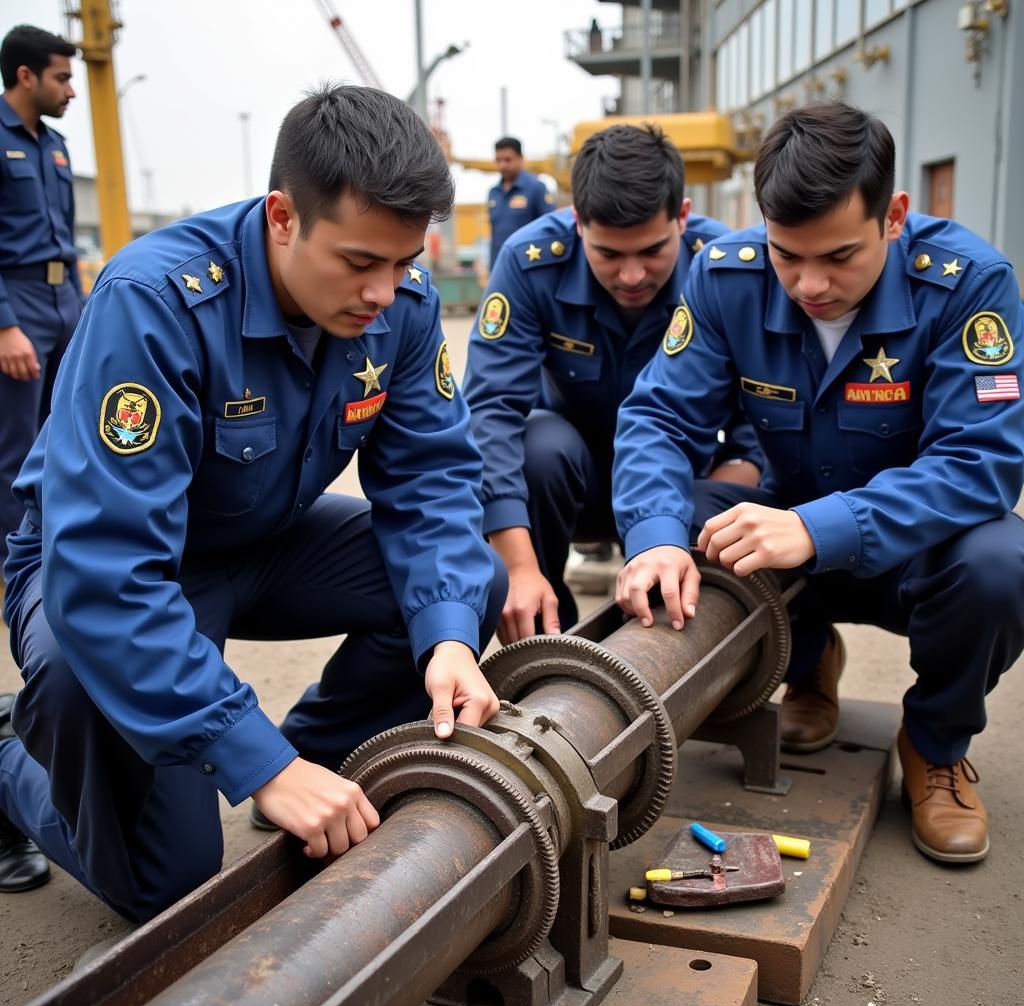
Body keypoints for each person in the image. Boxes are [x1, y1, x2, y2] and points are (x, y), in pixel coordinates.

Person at [0, 84, 506, 917]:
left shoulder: (400, 308)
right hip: (108, 573)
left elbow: (432, 480)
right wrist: (253, 761)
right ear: (282, 217)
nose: (384, 292)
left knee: (466, 584)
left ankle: (320, 757)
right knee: (175, 890)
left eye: (404, 263)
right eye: (358, 262)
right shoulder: (156, 304)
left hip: (262, 542)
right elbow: (107, 570)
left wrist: (448, 640)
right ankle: (14, 773)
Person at [613, 103, 1024, 865]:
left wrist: (819, 527)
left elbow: (983, 463)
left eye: (838, 256)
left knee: (1003, 561)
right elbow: (659, 418)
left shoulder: (969, 285)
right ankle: (805, 672)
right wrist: (657, 540)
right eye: (786, 254)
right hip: (787, 553)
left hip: (911, 557)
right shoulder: (726, 278)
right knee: (690, 519)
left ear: (894, 216)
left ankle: (935, 745)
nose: (809, 284)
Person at [464, 123, 763, 642]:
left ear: (683, 218)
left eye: (650, 251)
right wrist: (516, 566)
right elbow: (491, 408)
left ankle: (779, 655)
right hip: (572, 483)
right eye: (609, 254)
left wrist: (742, 472)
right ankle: (547, 635)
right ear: (578, 223)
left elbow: (768, 395)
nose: (631, 276)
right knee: (539, 447)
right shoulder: (532, 263)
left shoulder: (724, 268)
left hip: (683, 483)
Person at [0, 25, 83, 566]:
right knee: (15, 446)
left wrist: (82, 310)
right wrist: (4, 326)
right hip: (18, 303)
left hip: (64, 302)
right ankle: (19, 569)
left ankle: (59, 551)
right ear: (25, 76)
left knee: (65, 436)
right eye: (62, 78)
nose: (71, 91)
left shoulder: (56, 147)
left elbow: (69, 239)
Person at [487, 136, 553, 268]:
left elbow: (549, 228)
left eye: (508, 160)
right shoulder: (493, 193)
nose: (502, 165)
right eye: (498, 160)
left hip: (529, 265)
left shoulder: (536, 188)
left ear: (521, 158)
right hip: (500, 267)